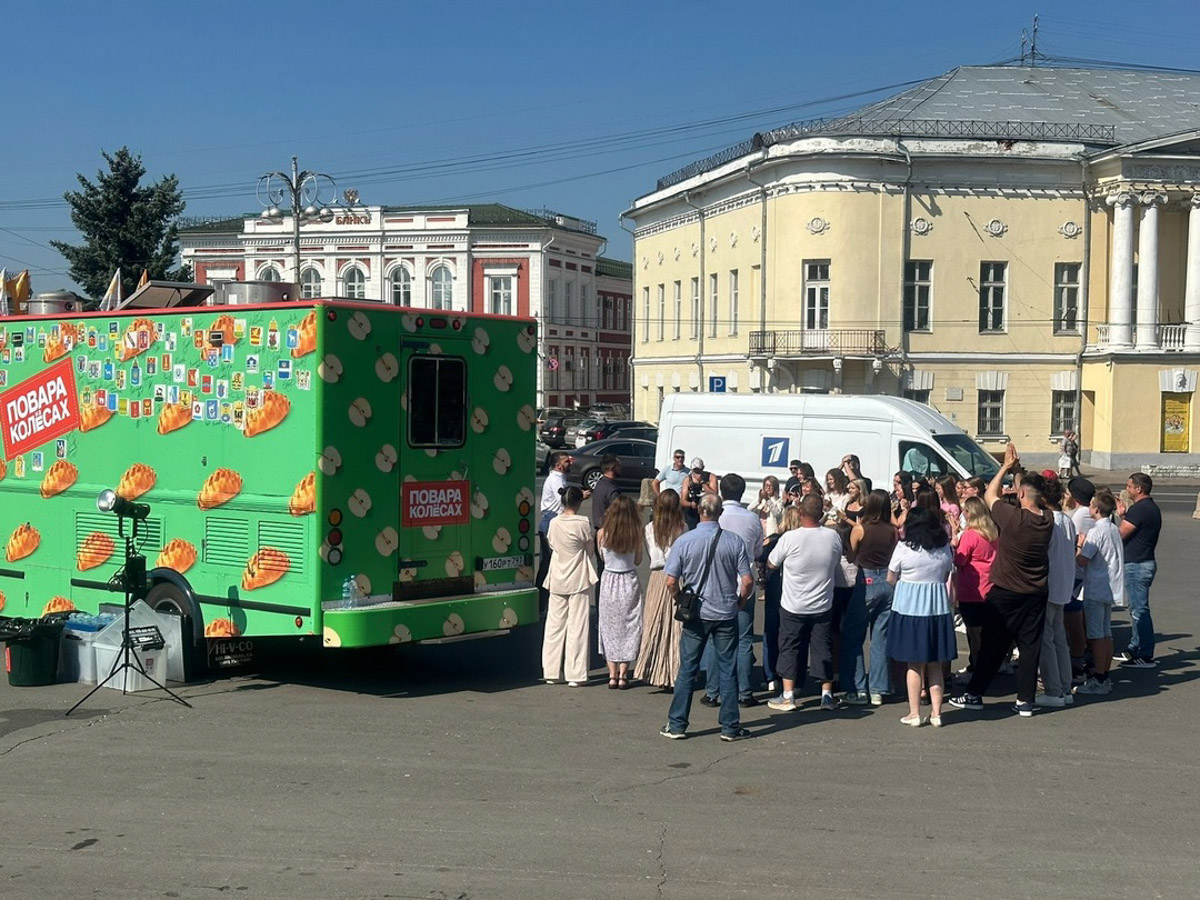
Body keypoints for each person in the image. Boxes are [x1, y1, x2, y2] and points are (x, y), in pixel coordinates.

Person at [950, 444, 1053, 717]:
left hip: (1006, 591)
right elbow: (1028, 492)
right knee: (1030, 647)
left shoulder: (1013, 518)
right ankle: (1025, 700)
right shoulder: (1047, 519)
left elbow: (989, 494)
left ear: (1019, 495)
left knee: (993, 646)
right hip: (1036, 592)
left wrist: (1005, 468)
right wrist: (1018, 470)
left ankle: (974, 694)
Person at [659, 493, 754, 742]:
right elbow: (747, 580)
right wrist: (741, 600)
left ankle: (677, 723)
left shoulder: (685, 541)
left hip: (696, 613)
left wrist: (680, 598)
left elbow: (670, 581)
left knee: (687, 670)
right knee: (727, 669)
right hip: (725, 612)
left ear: (699, 511)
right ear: (719, 513)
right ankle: (730, 726)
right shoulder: (734, 542)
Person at [765, 494, 842, 712]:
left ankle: (788, 695)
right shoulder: (832, 537)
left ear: (800, 513)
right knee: (822, 647)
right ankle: (827, 694)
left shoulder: (790, 538)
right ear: (821, 514)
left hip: (794, 604)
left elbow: (771, 563)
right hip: (822, 602)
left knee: (789, 646)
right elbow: (836, 561)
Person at [887, 506, 957, 726]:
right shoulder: (943, 547)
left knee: (914, 664)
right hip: (937, 607)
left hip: (909, 607)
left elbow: (891, 577)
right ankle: (936, 713)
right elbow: (946, 574)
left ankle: (914, 712)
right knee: (935, 663)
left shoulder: (903, 547)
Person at [701, 473, 764, 708]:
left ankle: (712, 691)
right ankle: (745, 692)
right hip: (743, 582)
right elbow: (757, 551)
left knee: (714, 638)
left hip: (716, 583)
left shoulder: (715, 516)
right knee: (744, 638)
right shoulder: (752, 519)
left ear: (722, 492)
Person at [841, 489, 897, 705]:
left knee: (853, 636)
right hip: (888, 581)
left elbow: (852, 556)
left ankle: (857, 688)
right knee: (880, 638)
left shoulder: (860, 529)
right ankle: (878, 688)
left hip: (867, 580)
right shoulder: (892, 531)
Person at [542, 486, 598, 686]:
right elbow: (590, 550)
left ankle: (551, 671)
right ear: (579, 502)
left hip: (557, 576)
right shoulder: (582, 522)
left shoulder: (554, 522)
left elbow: (551, 545)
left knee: (554, 625)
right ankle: (575, 674)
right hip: (578, 578)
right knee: (577, 626)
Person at [635, 489, 687, 689]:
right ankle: (673, 672)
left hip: (657, 576)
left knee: (654, 623)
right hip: (677, 576)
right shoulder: (682, 527)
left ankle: (654, 670)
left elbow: (650, 554)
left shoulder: (649, 528)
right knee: (675, 628)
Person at [1074, 489, 1125, 695]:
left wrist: (1079, 545)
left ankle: (1099, 677)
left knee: (1095, 635)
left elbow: (1082, 560)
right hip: (1110, 586)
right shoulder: (1113, 528)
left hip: (1096, 586)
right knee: (1106, 634)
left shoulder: (1097, 531)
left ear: (1095, 509)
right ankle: (1105, 674)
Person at [596, 495, 644, 689]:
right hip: (628, 579)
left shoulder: (602, 533)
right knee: (630, 626)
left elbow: (601, 556)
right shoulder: (636, 533)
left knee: (609, 626)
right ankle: (624, 674)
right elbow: (639, 560)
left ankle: (612, 674)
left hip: (609, 580)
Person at [1037, 477, 1077, 708]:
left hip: (1050, 585)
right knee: (1059, 638)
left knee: (1047, 639)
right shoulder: (1067, 521)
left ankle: (1054, 690)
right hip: (1063, 584)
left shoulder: (1050, 522)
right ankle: (1064, 686)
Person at [1117, 472, 1161, 668]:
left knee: (1139, 610)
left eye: (1129, 486)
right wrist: (1125, 515)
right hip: (1144, 562)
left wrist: (1120, 519)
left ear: (1138, 489)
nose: (1127, 489)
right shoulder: (1150, 508)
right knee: (1136, 608)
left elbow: (1121, 534)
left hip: (1137, 564)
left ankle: (1144, 653)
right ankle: (1135, 647)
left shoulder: (1140, 510)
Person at [953, 496, 997, 676]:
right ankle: (985, 665)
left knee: (974, 632)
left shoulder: (970, 535)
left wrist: (954, 541)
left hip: (972, 588)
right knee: (986, 632)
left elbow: (960, 559)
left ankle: (978, 668)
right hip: (990, 585)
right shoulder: (993, 533)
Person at [757, 507, 798, 695]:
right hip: (794, 593)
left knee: (771, 635)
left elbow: (760, 557)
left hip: (775, 591)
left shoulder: (775, 540)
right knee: (791, 637)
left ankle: (771, 676)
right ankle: (791, 677)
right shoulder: (801, 541)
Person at [1064, 476, 1096, 681]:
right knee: (1082, 617)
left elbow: (1069, 540)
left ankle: (1077, 661)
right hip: (1086, 573)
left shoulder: (1079, 516)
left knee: (1072, 618)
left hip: (1076, 572)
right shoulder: (1092, 512)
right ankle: (1085, 655)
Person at [536, 452, 573, 608]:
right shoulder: (556, 480)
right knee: (550, 563)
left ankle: (542, 601)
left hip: (550, 519)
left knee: (548, 562)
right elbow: (564, 501)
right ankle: (542, 601)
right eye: (566, 461)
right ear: (559, 465)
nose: (570, 463)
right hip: (551, 520)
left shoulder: (559, 478)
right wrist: (579, 497)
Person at [680, 459, 718, 530]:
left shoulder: (711, 477)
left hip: (707, 510)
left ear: (703, 468)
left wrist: (703, 483)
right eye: (695, 471)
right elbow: (682, 501)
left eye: (699, 471)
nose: (697, 474)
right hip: (692, 512)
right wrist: (691, 504)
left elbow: (715, 496)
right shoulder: (688, 480)